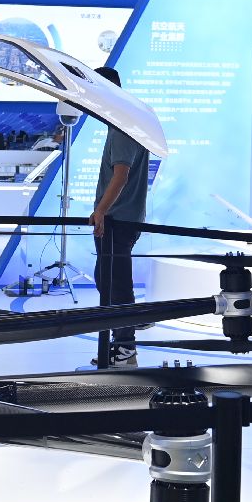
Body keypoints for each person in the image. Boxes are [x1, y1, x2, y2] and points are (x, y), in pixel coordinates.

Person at [90, 65, 148, 368]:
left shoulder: (123, 127)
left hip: (116, 220)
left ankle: (125, 347)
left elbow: (121, 175)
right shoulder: (128, 122)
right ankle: (121, 343)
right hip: (122, 218)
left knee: (116, 284)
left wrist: (101, 210)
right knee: (108, 279)